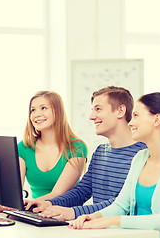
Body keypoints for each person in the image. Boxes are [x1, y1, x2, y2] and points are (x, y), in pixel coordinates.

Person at [69, 92, 160, 238]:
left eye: (136, 116)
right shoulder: (140, 158)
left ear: (157, 119)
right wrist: (94, 217)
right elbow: (121, 205)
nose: (130, 123)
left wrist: (111, 221)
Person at [25, 86, 146, 219]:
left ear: (120, 111)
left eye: (98, 109)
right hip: (97, 228)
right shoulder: (101, 152)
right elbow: (81, 192)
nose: (91, 117)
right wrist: (47, 203)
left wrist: (74, 212)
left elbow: (122, 203)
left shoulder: (144, 154)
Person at [19, 91, 87, 204]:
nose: (36, 114)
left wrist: (31, 202)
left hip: (67, 214)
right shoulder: (24, 147)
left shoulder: (77, 148)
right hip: (35, 212)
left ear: (58, 111)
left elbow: (58, 193)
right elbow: (15, 190)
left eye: (44, 108)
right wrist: (6, 205)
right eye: (33, 110)